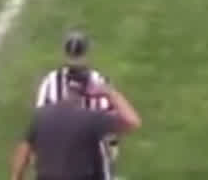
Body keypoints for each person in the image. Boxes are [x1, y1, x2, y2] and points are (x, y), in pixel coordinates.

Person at [12, 70, 141, 180]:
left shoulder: (41, 115)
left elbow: (23, 151)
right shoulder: (92, 119)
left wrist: (16, 178)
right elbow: (132, 122)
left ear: (65, 88)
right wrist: (108, 93)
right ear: (87, 90)